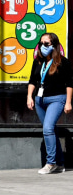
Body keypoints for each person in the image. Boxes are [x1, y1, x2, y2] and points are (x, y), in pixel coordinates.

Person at [27, 32, 73, 174]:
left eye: (46, 43)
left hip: (57, 99)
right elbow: (32, 81)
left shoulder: (63, 62)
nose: (43, 46)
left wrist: (68, 102)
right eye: (41, 43)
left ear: (53, 45)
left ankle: (51, 162)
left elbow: (70, 83)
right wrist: (29, 96)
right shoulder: (38, 61)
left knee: (47, 128)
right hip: (40, 100)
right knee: (51, 130)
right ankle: (59, 163)